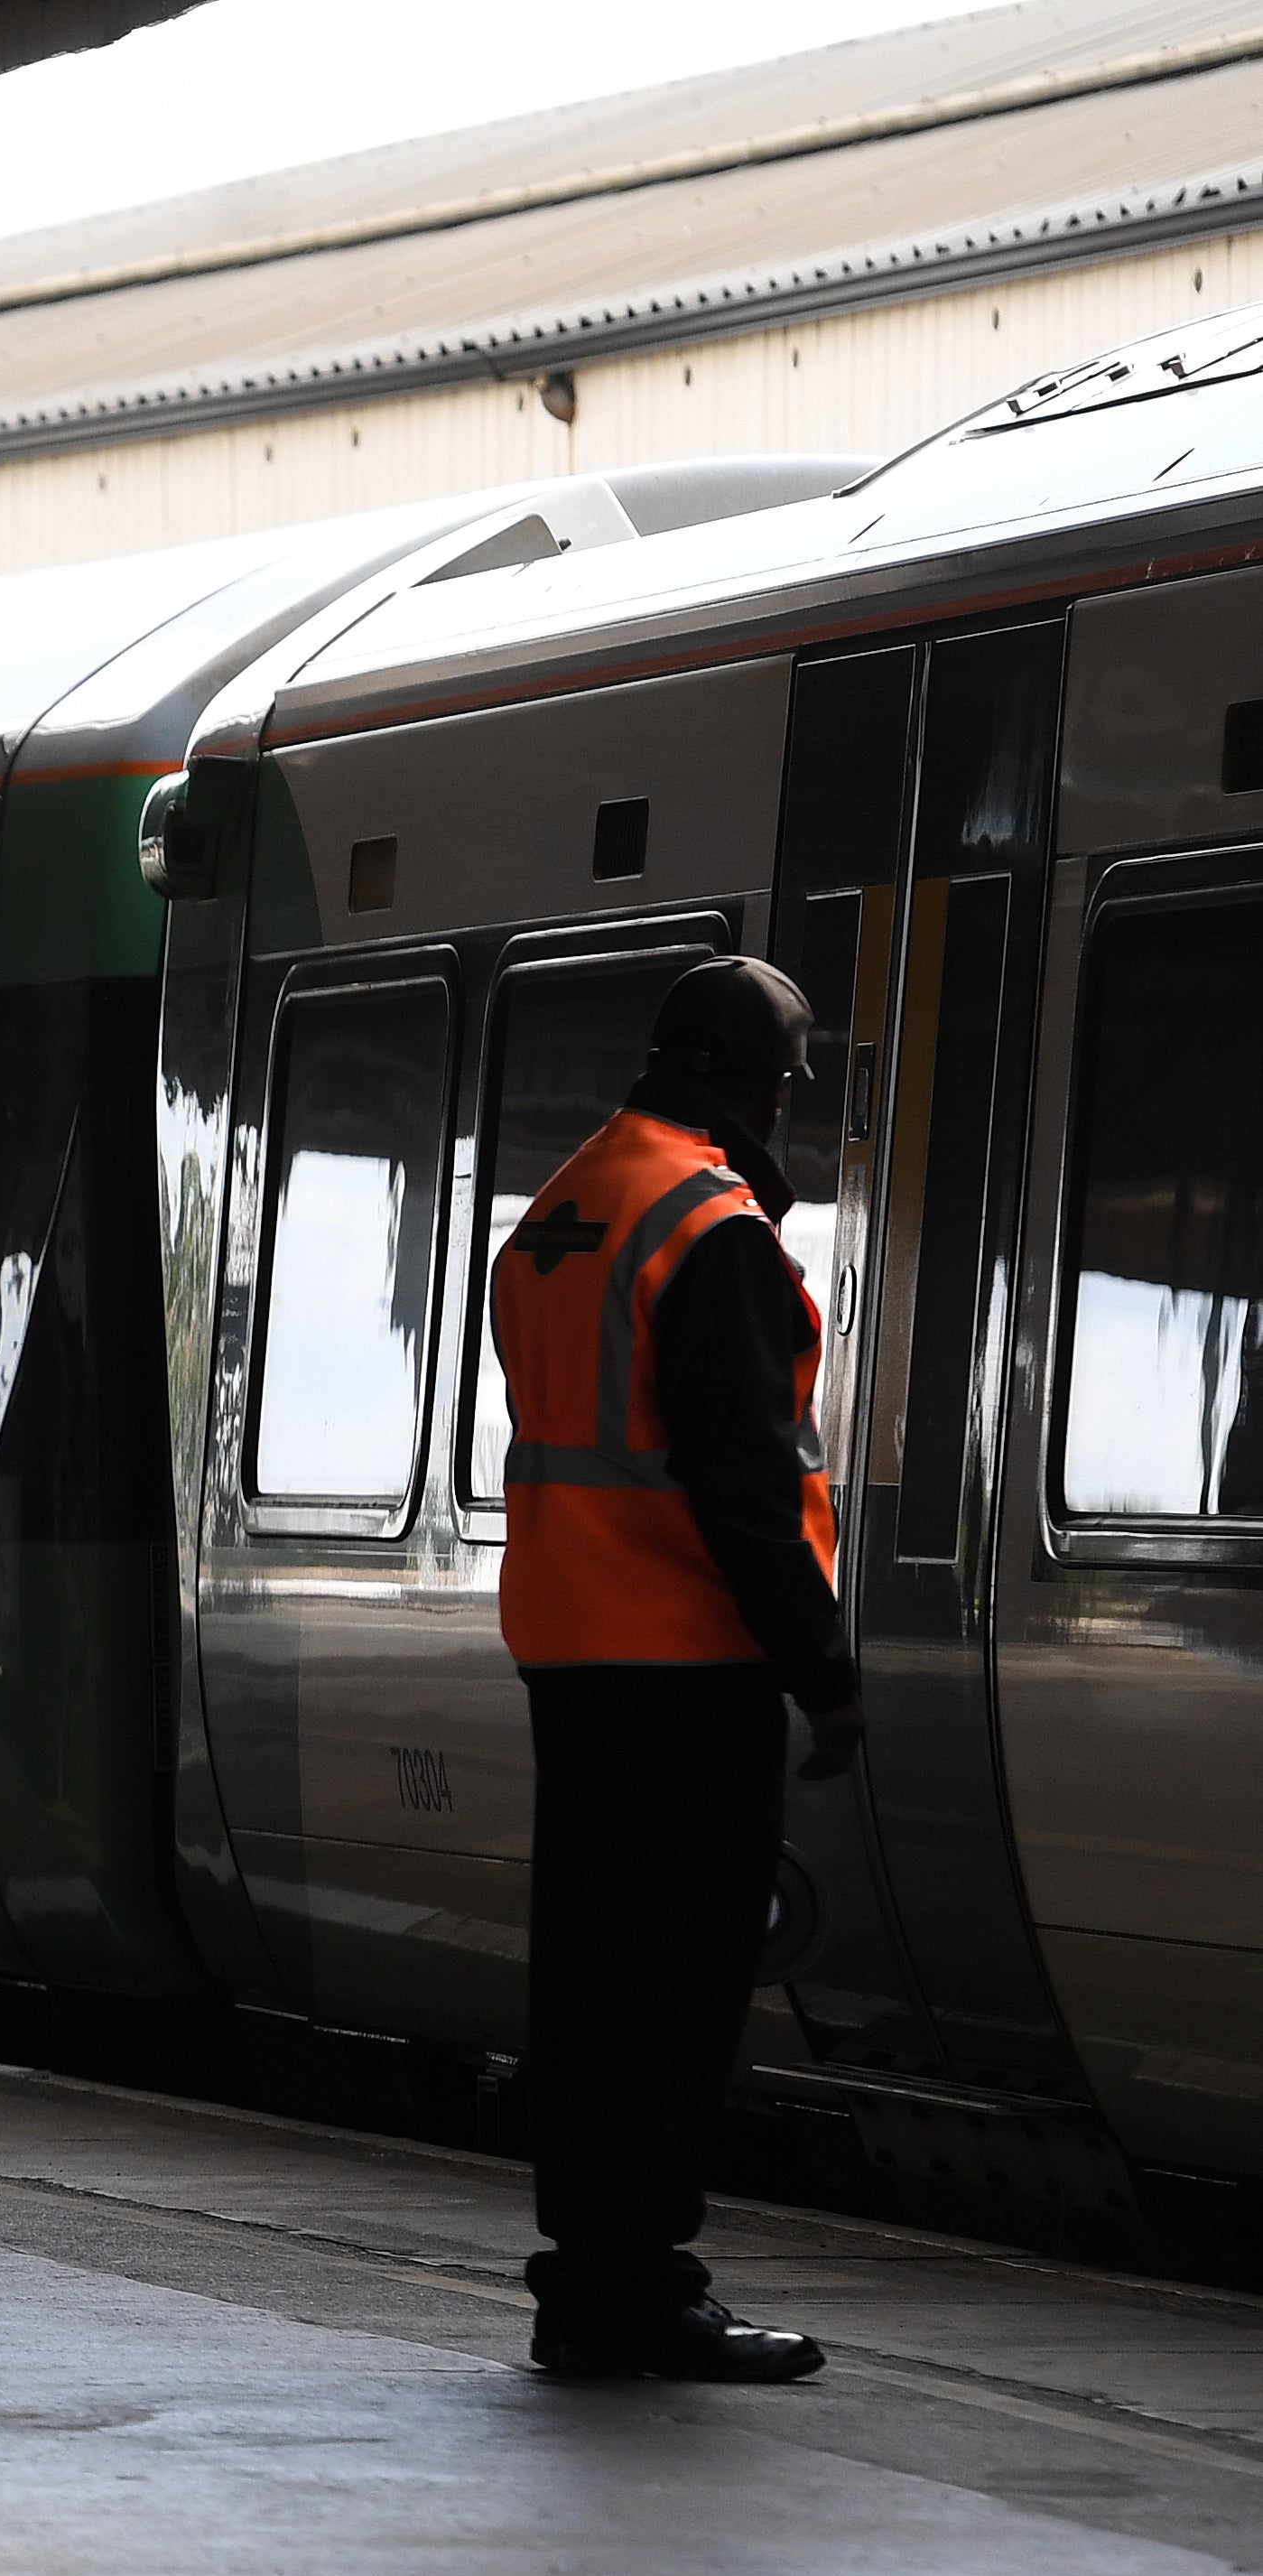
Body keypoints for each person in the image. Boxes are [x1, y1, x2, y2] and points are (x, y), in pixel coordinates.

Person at [487, 954, 856, 2384]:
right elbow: (746, 1479)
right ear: (749, 1080)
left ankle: (588, 2276)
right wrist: (824, 1669)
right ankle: (638, 2288)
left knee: (589, 1979)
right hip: (686, 1660)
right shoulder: (713, 1224)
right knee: (676, 1986)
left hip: (570, 1645)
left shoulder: (567, 1206)